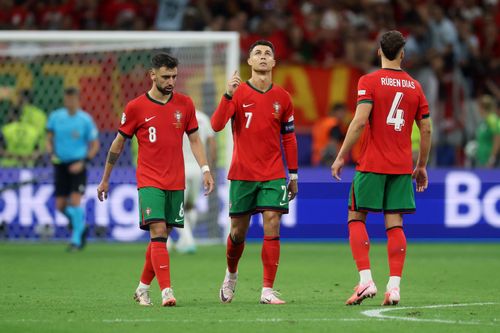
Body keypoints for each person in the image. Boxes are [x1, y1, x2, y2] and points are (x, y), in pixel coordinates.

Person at [96, 53, 214, 307]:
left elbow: (195, 140)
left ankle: (141, 288)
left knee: (162, 236)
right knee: (158, 231)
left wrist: (205, 168)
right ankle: (167, 291)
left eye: (174, 76)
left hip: (176, 180)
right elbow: (117, 144)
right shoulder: (136, 107)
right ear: (152, 75)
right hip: (149, 179)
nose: (171, 81)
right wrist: (105, 179)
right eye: (165, 76)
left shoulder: (185, 104)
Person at [331, 30, 432, 306]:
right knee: (395, 223)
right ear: (402, 54)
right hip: (401, 167)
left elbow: (360, 121)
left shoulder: (369, 81)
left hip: (372, 164)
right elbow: (426, 128)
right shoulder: (415, 86)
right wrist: (421, 165)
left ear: (378, 52)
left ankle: (365, 281)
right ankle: (395, 287)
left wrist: (341, 156)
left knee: (356, 216)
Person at [211, 40, 299, 305]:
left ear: (273, 63)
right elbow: (216, 125)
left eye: (268, 54)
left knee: (272, 222)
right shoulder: (238, 94)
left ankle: (267, 290)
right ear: (249, 62)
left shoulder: (283, 97)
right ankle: (231, 275)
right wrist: (227, 94)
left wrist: (293, 175)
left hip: (273, 173)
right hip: (242, 173)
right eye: (257, 53)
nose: (263, 57)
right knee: (238, 233)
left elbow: (289, 139)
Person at [46, 87, 99, 251]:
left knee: (75, 201)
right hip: (60, 164)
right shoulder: (55, 117)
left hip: (78, 164)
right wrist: (51, 154)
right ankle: (80, 226)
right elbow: (49, 139)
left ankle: (76, 240)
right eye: (67, 99)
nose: (70, 102)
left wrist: (83, 162)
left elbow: (95, 145)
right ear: (64, 99)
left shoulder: (85, 120)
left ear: (78, 100)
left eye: (73, 99)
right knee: (60, 205)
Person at [172, 109, 216, 254]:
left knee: (176, 209)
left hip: (180, 168)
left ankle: (188, 240)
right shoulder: (203, 117)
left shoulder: (176, 117)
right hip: (198, 168)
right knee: (189, 206)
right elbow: (212, 144)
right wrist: (210, 168)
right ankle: (182, 242)